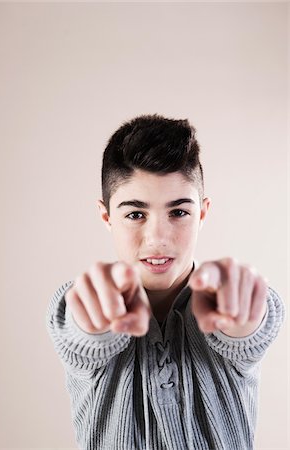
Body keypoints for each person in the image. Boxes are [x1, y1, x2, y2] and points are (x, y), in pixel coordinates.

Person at [46, 114, 285, 450]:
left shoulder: (224, 301)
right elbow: (77, 330)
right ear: (106, 217)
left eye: (178, 212)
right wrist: (90, 321)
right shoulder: (85, 303)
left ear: (202, 213)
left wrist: (246, 311)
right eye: (135, 214)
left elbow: (252, 326)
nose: (158, 238)